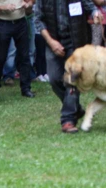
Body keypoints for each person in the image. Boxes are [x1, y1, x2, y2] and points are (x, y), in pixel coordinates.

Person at [34, 0, 101, 133]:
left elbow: (90, 6)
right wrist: (51, 42)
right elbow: (38, 20)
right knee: (54, 79)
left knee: (72, 80)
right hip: (52, 41)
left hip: (75, 41)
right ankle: (76, 108)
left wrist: (95, 13)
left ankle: (68, 119)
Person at [0, 0, 35, 100]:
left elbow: (31, 1)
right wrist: (3, 7)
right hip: (3, 23)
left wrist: (28, 4)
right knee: (0, 57)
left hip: (21, 22)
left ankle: (26, 88)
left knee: (24, 56)